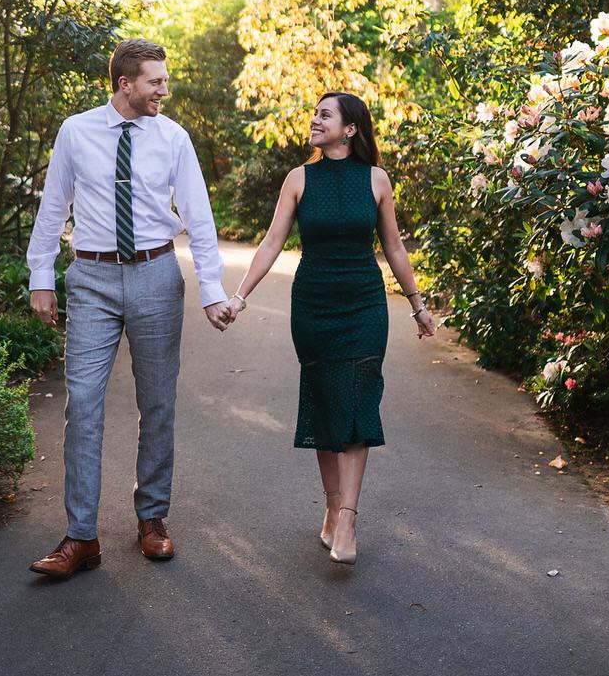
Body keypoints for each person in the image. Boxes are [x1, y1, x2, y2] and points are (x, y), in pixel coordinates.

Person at [24, 39, 235, 579]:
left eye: (164, 81)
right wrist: (41, 277)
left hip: (156, 275)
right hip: (91, 277)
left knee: (158, 402)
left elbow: (200, 217)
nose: (164, 89)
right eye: (155, 82)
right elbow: (53, 208)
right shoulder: (76, 132)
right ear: (125, 83)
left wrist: (212, 290)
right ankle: (80, 536)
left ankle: (152, 517)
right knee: (84, 404)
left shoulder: (173, 137)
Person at [224, 91, 436, 564]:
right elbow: (272, 242)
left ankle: (348, 519)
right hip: (314, 304)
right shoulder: (299, 179)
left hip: (363, 303)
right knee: (325, 402)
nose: (315, 120)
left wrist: (418, 306)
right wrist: (239, 296)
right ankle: (331, 505)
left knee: (359, 400)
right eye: (315, 113)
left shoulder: (376, 180)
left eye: (325, 115)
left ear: (351, 128)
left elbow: (395, 249)